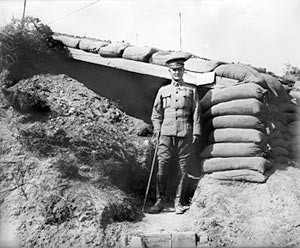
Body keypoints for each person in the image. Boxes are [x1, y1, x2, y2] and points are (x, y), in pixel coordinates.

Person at [149, 56, 202, 214]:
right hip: (165, 134)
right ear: (169, 71)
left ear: (183, 71)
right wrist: (157, 130)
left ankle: (178, 202)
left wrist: (196, 132)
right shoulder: (163, 91)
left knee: (183, 170)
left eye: (180, 69)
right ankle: (160, 201)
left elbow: (196, 113)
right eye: (174, 70)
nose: (177, 72)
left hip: (185, 134)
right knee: (162, 168)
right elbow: (156, 114)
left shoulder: (192, 90)